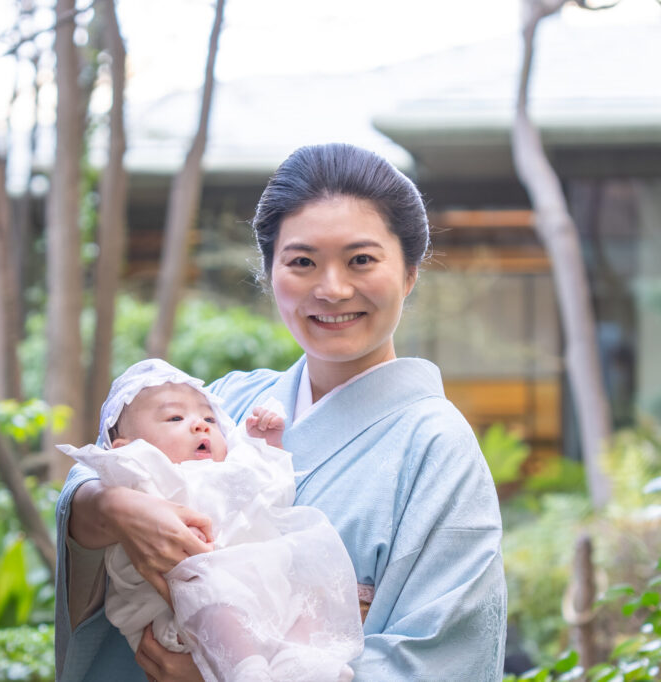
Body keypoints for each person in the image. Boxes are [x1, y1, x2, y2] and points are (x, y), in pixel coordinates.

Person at [55, 142, 508, 681]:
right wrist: (110, 507)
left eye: (361, 260)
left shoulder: (437, 447)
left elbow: (445, 656)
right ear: (270, 270)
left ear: (410, 272)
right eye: (302, 262)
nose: (332, 288)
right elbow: (99, 468)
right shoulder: (225, 403)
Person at [57, 358, 363, 682]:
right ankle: (247, 671)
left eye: (208, 418)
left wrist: (265, 446)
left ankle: (297, 664)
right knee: (215, 592)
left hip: (260, 600)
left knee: (309, 593)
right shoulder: (145, 473)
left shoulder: (227, 470)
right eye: (175, 417)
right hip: (186, 611)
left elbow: (272, 491)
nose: (201, 425)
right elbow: (94, 477)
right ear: (127, 448)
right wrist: (115, 497)